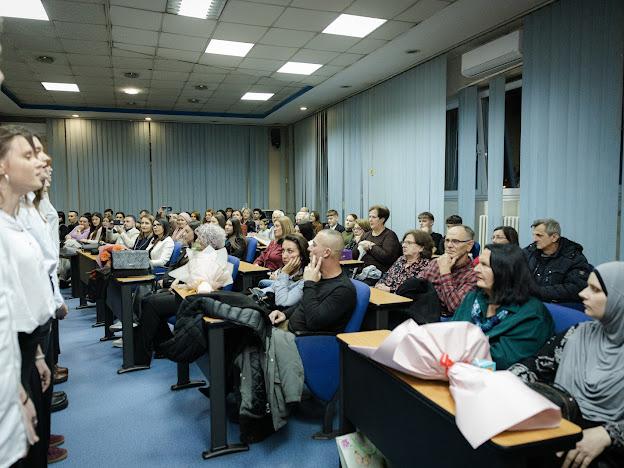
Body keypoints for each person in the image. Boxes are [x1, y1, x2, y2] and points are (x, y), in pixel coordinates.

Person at [509, 262, 624, 468]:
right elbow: (534, 365)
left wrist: (609, 434)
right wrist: (503, 382)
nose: (582, 294)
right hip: (561, 430)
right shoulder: (578, 333)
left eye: (595, 290)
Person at [0, 126, 57, 466]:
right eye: (29, 154)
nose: (43, 159)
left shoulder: (15, 219)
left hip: (22, 350)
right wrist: (12, 395)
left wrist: (34, 356)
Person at [132, 224, 230, 367]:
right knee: (148, 300)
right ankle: (162, 345)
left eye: (200, 238)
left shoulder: (213, 258)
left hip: (195, 300)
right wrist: (178, 286)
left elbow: (204, 286)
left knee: (151, 303)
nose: (197, 240)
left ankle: (141, 358)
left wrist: (181, 287)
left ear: (208, 241)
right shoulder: (202, 253)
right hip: (186, 294)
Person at [451, 244, 554, 369]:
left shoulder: (532, 314)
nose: (476, 269)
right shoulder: (473, 298)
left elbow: (502, 361)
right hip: (459, 368)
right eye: (478, 264)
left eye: (484, 265)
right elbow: (451, 332)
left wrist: (456, 350)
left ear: (505, 272)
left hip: (502, 376)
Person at [268, 229, 357, 334]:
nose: (308, 248)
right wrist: (285, 314)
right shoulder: (319, 276)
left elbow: (314, 322)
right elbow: (304, 303)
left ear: (326, 252)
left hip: (300, 339)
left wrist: (309, 283)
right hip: (288, 328)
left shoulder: (343, 290)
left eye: (314, 245)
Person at [523, 218, 592, 305]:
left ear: (554, 237)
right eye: (534, 235)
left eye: (539, 235)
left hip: (560, 305)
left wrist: (538, 292)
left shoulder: (574, 258)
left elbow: (576, 287)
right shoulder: (529, 252)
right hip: (531, 302)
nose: (534, 239)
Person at [418, 225, 478, 317]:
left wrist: (445, 272)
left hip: (448, 319)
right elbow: (417, 287)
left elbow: (455, 308)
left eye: (455, 241)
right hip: (422, 312)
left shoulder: (473, 275)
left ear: (469, 245)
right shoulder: (436, 262)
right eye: (447, 240)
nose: (449, 245)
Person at [254, 233, 310, 308]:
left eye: (290, 251)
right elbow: (273, 288)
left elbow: (282, 304)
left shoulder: (305, 279)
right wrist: (260, 292)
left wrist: (284, 273)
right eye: (283, 251)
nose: (284, 256)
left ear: (302, 255)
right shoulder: (286, 270)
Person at [356, 205, 402, 275]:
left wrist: (371, 246)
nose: (370, 220)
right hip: (362, 272)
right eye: (369, 216)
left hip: (379, 274)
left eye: (374, 217)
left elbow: (388, 258)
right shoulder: (366, 235)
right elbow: (354, 255)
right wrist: (358, 244)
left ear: (382, 219)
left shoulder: (390, 235)